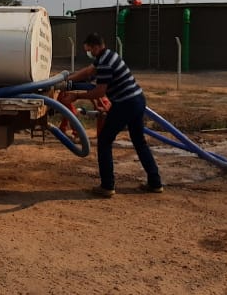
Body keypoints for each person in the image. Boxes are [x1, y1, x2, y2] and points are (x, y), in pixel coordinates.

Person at [66, 33, 162, 197]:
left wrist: (76, 96)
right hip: (137, 100)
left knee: (104, 141)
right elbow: (89, 71)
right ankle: (155, 183)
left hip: (125, 104)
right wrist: (68, 79)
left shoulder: (105, 63)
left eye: (89, 50)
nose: (89, 53)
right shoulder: (109, 55)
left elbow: (99, 92)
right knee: (139, 141)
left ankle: (107, 186)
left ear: (96, 47)